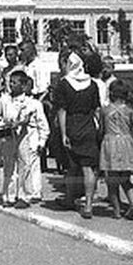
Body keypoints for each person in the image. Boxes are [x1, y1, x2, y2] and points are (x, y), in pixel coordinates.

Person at [55, 50, 101, 219]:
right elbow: (97, 110)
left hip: (72, 124)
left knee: (71, 165)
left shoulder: (63, 84)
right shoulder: (93, 84)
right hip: (88, 126)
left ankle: (69, 198)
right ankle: (88, 205)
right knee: (88, 167)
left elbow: (62, 110)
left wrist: (63, 133)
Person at [0, 72, 49, 208]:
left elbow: (43, 126)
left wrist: (41, 142)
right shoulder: (4, 99)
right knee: (8, 167)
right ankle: (9, 196)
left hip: (26, 138)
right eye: (10, 82)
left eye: (15, 82)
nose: (11, 85)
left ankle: (25, 197)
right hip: (9, 138)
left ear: (23, 85)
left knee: (25, 167)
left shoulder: (33, 104)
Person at [98, 80, 133, 219]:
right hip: (126, 142)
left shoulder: (105, 110)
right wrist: (132, 134)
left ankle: (117, 211)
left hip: (110, 142)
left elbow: (100, 129)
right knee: (125, 178)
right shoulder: (129, 111)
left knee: (112, 181)